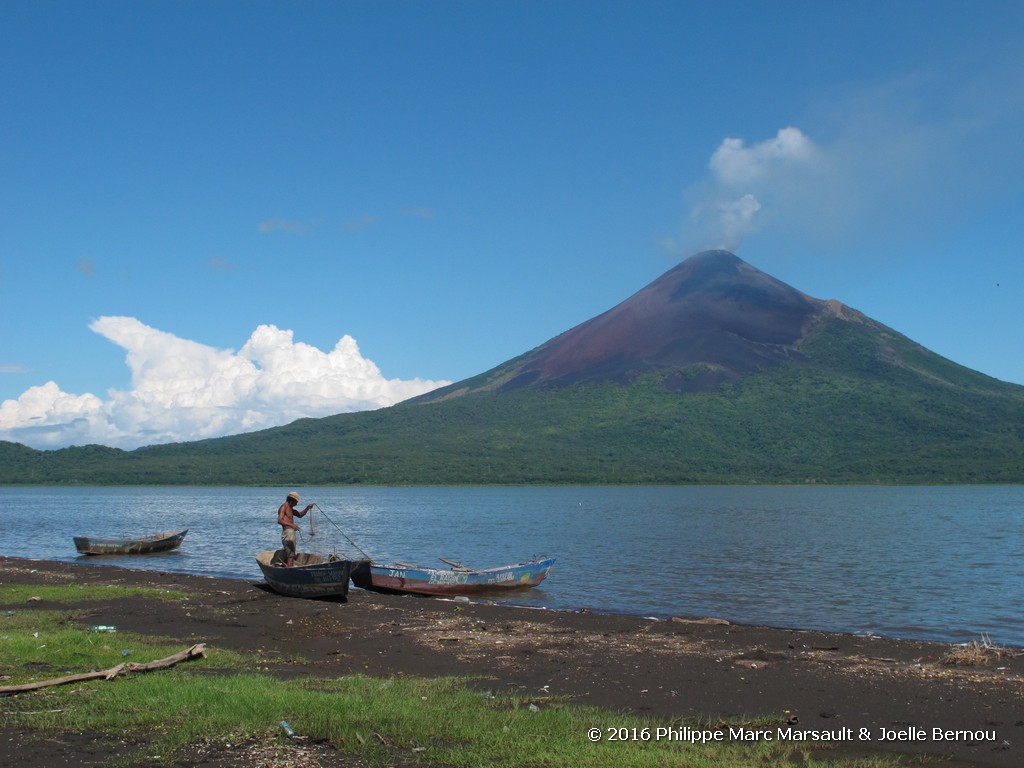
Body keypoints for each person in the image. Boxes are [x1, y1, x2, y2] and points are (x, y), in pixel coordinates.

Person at [277, 491, 313, 567]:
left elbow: (300, 515)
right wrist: (292, 525)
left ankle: (289, 569)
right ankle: (290, 572)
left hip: (291, 533)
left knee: (291, 554)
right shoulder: (284, 507)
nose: (296, 504)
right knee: (291, 555)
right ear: (291, 500)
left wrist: (307, 508)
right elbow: (280, 520)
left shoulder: (291, 509)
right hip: (288, 533)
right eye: (296, 502)